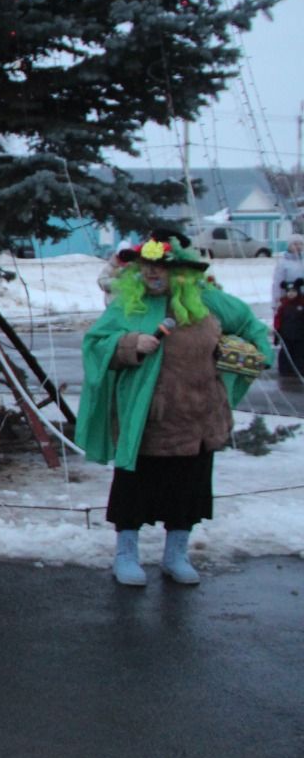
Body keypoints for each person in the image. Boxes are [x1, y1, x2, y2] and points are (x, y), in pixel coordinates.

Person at [78, 230, 273, 586]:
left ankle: (176, 555)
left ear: (182, 273)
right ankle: (126, 555)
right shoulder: (129, 306)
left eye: (162, 269)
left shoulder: (209, 303)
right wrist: (130, 343)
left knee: (187, 491)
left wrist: (262, 353)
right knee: (134, 491)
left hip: (198, 418)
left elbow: (249, 325)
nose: (153, 275)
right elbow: (95, 344)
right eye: (148, 267)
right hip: (148, 420)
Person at [276, 278, 304, 382]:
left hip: (300, 334)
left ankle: (300, 369)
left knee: (299, 352)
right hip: (286, 334)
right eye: (289, 292)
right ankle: (285, 370)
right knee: (285, 352)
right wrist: (277, 332)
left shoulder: (301, 303)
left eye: (293, 292)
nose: (291, 294)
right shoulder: (283, 305)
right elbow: (278, 318)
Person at [271, 234, 304, 308]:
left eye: (301, 244)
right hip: (290, 299)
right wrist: (276, 301)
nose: (298, 246)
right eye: (295, 244)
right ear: (289, 246)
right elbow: (277, 284)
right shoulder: (283, 263)